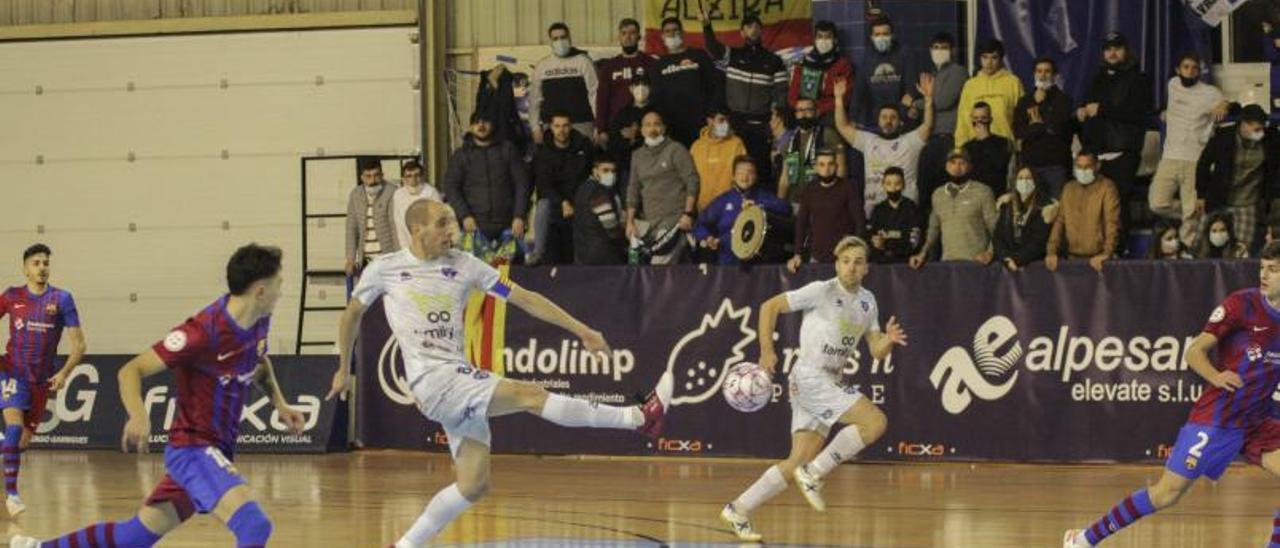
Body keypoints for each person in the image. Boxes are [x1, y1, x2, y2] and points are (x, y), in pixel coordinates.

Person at [330, 200, 673, 547]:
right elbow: (351, 315)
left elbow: (525, 298)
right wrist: (343, 369)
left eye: (451, 222)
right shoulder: (386, 268)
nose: (451, 231)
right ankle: (639, 418)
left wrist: (582, 330)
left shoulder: (465, 265)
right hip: (433, 381)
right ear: (417, 228)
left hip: (458, 377)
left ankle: (403, 545)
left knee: (473, 485)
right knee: (531, 395)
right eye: (441, 223)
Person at [10, 244, 305, 548]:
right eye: (278, 284)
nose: (281, 291)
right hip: (193, 451)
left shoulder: (258, 319)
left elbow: (258, 360)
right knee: (254, 526)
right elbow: (130, 370)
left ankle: (37, 547)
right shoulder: (202, 333)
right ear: (259, 290)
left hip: (216, 450)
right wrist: (138, 414)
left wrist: (280, 404)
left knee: (132, 537)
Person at [1062, 241, 1280, 548]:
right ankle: (1085, 538)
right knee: (1167, 494)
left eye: (1273, 269)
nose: (1264, 275)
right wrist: (1217, 376)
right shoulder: (1242, 305)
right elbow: (1194, 352)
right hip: (1218, 417)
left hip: (1258, 420)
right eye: (1262, 268)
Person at [721, 236, 907, 542]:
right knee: (875, 423)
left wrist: (887, 340)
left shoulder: (868, 301)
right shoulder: (822, 291)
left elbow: (875, 350)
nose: (851, 267)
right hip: (810, 376)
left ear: (866, 268)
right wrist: (767, 350)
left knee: (796, 462)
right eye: (846, 261)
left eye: (858, 262)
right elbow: (770, 307)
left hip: (828, 380)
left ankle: (738, 509)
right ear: (837, 264)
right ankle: (816, 473)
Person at [0, 244, 86, 516]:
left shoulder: (62, 299)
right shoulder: (12, 296)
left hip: (41, 380)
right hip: (13, 371)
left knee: (20, 443)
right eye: (36, 263)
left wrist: (63, 373)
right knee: (14, 430)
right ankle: (12, 497)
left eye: (45, 262)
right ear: (25, 268)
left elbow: (80, 345)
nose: (42, 267)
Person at [1078, 32, 1153, 252]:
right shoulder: (1097, 78)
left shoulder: (1138, 79)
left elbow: (1138, 112)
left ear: (1126, 51)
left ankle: (1119, 249)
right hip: (1096, 152)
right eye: (1108, 48)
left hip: (1123, 151)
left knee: (1117, 202)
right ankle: (1094, 248)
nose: (1112, 53)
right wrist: (1082, 111)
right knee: (1092, 203)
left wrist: (1102, 109)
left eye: (1117, 48)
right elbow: (1088, 106)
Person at [699, 7, 788, 185]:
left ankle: (760, 209)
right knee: (733, 168)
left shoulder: (774, 61)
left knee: (760, 169)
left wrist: (778, 120)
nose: (752, 30)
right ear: (741, 32)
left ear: (761, 31)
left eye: (756, 26)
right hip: (735, 124)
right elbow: (713, 48)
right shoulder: (732, 55)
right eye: (748, 27)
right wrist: (707, 26)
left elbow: (781, 94)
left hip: (761, 126)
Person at [1149, 53, 1227, 248]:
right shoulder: (1172, 84)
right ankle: (1189, 211)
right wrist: (1164, 113)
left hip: (1195, 158)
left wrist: (1224, 106)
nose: (1190, 71)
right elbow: (1166, 107)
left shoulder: (1210, 93)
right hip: (1170, 157)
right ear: (1178, 70)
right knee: (1156, 203)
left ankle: (1188, 252)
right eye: (1186, 67)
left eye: (1194, 68)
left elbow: (1227, 104)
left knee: (1191, 217)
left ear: (1199, 72)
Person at [834, 73, 935, 216]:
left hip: (906, 212)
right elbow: (842, 126)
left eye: (893, 117)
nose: (888, 120)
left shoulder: (910, 141)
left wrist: (929, 99)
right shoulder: (868, 141)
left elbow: (928, 126)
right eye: (884, 117)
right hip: (874, 213)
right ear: (878, 121)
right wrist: (838, 99)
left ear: (900, 122)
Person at [1195, 104, 1278, 252]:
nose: (1261, 133)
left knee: (1241, 249)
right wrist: (1201, 194)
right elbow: (1204, 164)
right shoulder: (1224, 137)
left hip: (1248, 201)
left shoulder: (1271, 139)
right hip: (1219, 197)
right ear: (1243, 125)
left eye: (1262, 128)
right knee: (1200, 244)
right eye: (1256, 129)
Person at [443, 112, 530, 244]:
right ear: (471, 127)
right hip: (473, 226)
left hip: (509, 225)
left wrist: (519, 215)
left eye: (485, 121)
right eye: (476, 122)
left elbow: (522, 184)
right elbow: (451, 187)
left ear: (493, 125)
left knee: (509, 265)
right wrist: (465, 216)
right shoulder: (461, 155)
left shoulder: (508, 150)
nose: (481, 125)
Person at [626, 111, 700, 265]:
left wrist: (688, 213)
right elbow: (633, 189)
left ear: (664, 128)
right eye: (648, 125)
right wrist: (629, 222)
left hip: (674, 222)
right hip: (648, 223)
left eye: (656, 124)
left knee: (658, 269)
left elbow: (692, 180)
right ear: (642, 130)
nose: (652, 129)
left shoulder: (676, 149)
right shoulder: (637, 155)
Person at [694, 156, 791, 266]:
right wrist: (707, 237)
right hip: (728, 264)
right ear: (734, 176)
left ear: (756, 176)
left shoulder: (762, 197)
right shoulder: (723, 201)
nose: (745, 177)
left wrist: (759, 206)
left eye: (750, 172)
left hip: (759, 265)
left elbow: (786, 208)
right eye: (740, 173)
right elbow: (700, 224)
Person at [909, 149, 997, 268]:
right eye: (953, 162)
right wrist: (922, 253)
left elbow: (995, 227)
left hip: (976, 264)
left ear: (969, 166)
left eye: (962, 162)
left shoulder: (983, 191)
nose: (957, 167)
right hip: (948, 263)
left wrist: (989, 252)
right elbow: (933, 230)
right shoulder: (938, 194)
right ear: (946, 166)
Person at [916, 32, 968, 219]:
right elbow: (932, 103)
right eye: (936, 48)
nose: (939, 51)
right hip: (931, 138)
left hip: (948, 139)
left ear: (952, 50)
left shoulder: (958, 72)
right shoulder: (932, 74)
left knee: (948, 190)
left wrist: (916, 103)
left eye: (944, 47)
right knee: (926, 190)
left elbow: (943, 100)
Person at [531, 111, 594, 265]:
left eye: (565, 125)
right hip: (554, 200)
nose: (561, 130)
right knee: (542, 206)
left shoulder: (583, 146)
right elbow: (544, 184)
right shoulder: (543, 151)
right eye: (557, 126)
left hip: (578, 197)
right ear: (551, 128)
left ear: (570, 126)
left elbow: (587, 175)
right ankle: (538, 253)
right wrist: (563, 202)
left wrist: (575, 200)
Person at [1046, 152, 1121, 273]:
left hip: (1098, 261)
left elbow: (1112, 222)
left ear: (1097, 166)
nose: (1083, 170)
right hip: (1072, 259)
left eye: (1087, 166)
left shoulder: (1107, 187)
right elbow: (1059, 221)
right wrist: (1051, 251)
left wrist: (1107, 253)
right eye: (1079, 167)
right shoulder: (1068, 188)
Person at [652, 16, 720, 148]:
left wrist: (712, 114)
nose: (672, 34)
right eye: (667, 31)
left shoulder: (699, 55)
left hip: (701, 123)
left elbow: (715, 86)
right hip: (672, 127)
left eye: (675, 30)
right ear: (662, 36)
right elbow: (656, 97)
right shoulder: (658, 64)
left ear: (683, 33)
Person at [790, 150, 863, 270]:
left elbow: (860, 222)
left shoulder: (849, 187)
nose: (826, 168)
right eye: (822, 164)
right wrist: (797, 254)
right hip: (817, 256)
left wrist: (856, 252)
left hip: (844, 257)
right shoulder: (809, 189)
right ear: (816, 168)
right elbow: (801, 223)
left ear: (836, 166)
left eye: (830, 164)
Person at [1013, 57, 1075, 198]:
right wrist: (1039, 127)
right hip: (1030, 167)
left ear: (1055, 76)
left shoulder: (1064, 100)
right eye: (1039, 71)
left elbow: (1058, 129)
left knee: (1055, 209)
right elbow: (1019, 131)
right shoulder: (1025, 102)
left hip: (1055, 166)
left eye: (1047, 71)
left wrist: (1039, 113)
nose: (1042, 75)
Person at [528, 22, 597, 143]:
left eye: (563, 37)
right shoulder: (542, 66)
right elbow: (534, 99)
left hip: (582, 124)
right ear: (550, 42)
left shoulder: (583, 62)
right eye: (555, 38)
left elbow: (594, 93)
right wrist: (535, 127)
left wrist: (599, 125)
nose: (560, 41)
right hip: (552, 127)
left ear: (569, 38)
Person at [594, 18, 655, 148]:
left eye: (632, 33)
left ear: (639, 36)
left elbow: (658, 95)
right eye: (624, 33)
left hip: (646, 126)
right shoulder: (609, 66)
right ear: (619, 37)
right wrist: (601, 129)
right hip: (616, 126)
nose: (628, 37)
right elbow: (602, 99)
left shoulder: (651, 63)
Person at [954, 39, 1024, 146]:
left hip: (1005, 146)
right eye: (985, 57)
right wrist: (959, 147)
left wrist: (1020, 147)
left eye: (994, 57)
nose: (989, 62)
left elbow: (1021, 119)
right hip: (976, 146)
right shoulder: (970, 85)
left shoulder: (1013, 82)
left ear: (1001, 59)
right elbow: (963, 120)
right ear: (980, 59)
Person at [853, 14, 919, 127]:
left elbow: (911, 89)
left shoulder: (904, 53)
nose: (881, 38)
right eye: (877, 34)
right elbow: (859, 90)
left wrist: (901, 113)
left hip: (901, 119)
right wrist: (853, 118)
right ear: (871, 37)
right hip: (875, 120)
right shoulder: (867, 57)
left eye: (885, 34)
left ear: (892, 35)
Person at [777, 98, 845, 205]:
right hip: (794, 200)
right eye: (799, 110)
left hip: (822, 200)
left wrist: (836, 197)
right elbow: (784, 178)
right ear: (795, 114)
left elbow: (841, 168)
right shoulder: (789, 141)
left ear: (817, 112)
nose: (803, 114)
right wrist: (779, 204)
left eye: (808, 110)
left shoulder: (828, 135)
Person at [788, 20, 854, 119]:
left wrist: (819, 109)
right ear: (814, 40)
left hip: (829, 113)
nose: (823, 40)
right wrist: (803, 108)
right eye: (820, 36)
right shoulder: (803, 64)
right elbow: (792, 96)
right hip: (803, 111)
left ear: (835, 40)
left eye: (827, 37)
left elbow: (845, 98)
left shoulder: (842, 65)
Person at [992, 167, 1055, 270]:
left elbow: (1038, 241)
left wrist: (1018, 259)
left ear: (1035, 181)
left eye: (1028, 178)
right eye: (1020, 178)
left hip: (1034, 266)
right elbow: (998, 237)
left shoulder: (1044, 206)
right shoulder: (1008, 206)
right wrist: (1005, 258)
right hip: (1008, 264)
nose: (1024, 182)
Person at [346, 157, 397, 276]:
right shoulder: (355, 194)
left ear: (382, 175)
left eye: (376, 175)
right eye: (368, 176)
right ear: (362, 177)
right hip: (365, 260)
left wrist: (398, 257)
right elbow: (351, 228)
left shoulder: (392, 192)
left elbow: (395, 226)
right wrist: (350, 258)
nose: (372, 180)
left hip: (388, 257)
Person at [692, 106, 749, 211]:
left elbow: (744, 175)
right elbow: (692, 179)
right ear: (710, 121)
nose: (725, 124)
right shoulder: (697, 147)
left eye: (727, 120)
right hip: (703, 209)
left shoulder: (737, 144)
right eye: (721, 120)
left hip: (729, 207)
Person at [574, 156, 628, 265]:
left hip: (582, 254)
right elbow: (611, 228)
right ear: (595, 171)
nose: (610, 174)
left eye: (613, 171)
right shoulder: (598, 192)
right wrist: (626, 243)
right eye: (605, 170)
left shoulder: (582, 188)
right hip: (603, 255)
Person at [866, 167, 922, 265]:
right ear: (883, 185)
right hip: (881, 263)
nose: (893, 188)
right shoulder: (878, 209)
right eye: (889, 184)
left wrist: (887, 246)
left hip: (905, 262)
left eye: (897, 184)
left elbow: (914, 242)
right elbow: (870, 236)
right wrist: (875, 243)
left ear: (903, 185)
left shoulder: (911, 208)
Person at [962, 102, 1013, 195]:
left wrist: (985, 138)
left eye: (983, 118)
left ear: (991, 119)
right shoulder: (966, 147)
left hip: (996, 195)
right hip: (973, 197)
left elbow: (1000, 166)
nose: (979, 122)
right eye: (976, 119)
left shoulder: (1003, 142)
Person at [392, 160, 442, 251]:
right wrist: (405, 248)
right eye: (409, 176)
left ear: (422, 176)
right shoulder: (398, 195)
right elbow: (398, 223)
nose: (413, 179)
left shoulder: (431, 192)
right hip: (407, 245)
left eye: (417, 175)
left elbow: (437, 220)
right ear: (403, 178)